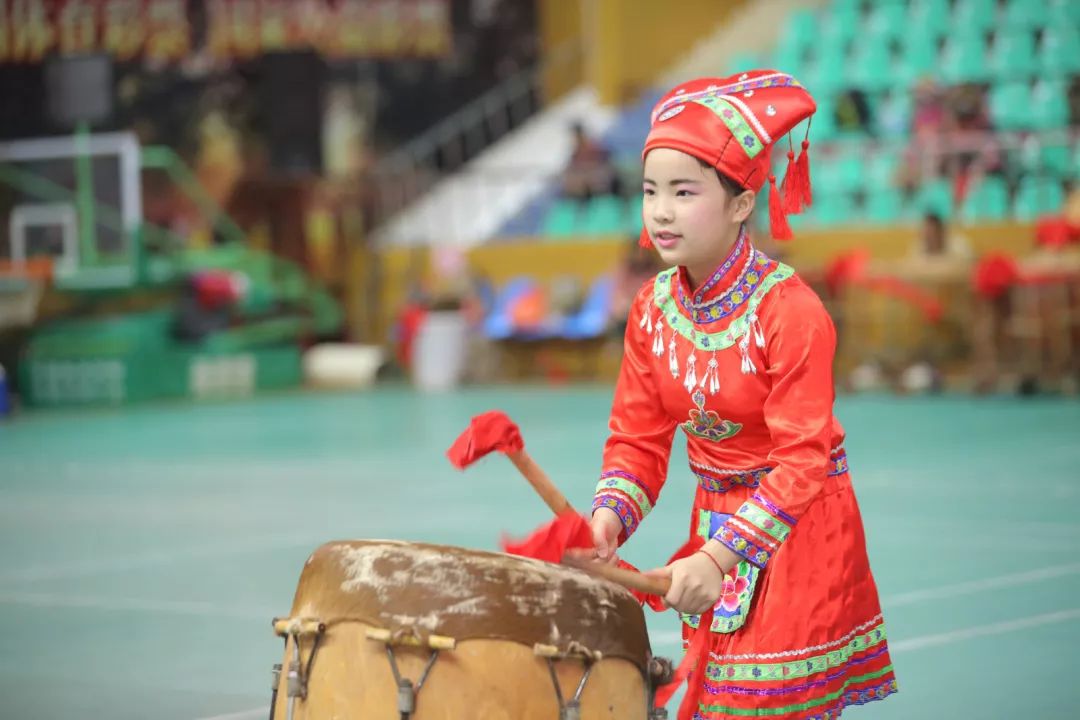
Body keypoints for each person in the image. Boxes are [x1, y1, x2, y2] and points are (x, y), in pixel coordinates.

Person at [586, 71, 898, 718]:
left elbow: (802, 462)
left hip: (798, 527)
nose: (661, 210)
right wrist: (607, 520)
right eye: (650, 192)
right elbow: (637, 439)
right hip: (715, 523)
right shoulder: (650, 310)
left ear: (739, 203)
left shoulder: (790, 312)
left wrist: (720, 555)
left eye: (683, 191)